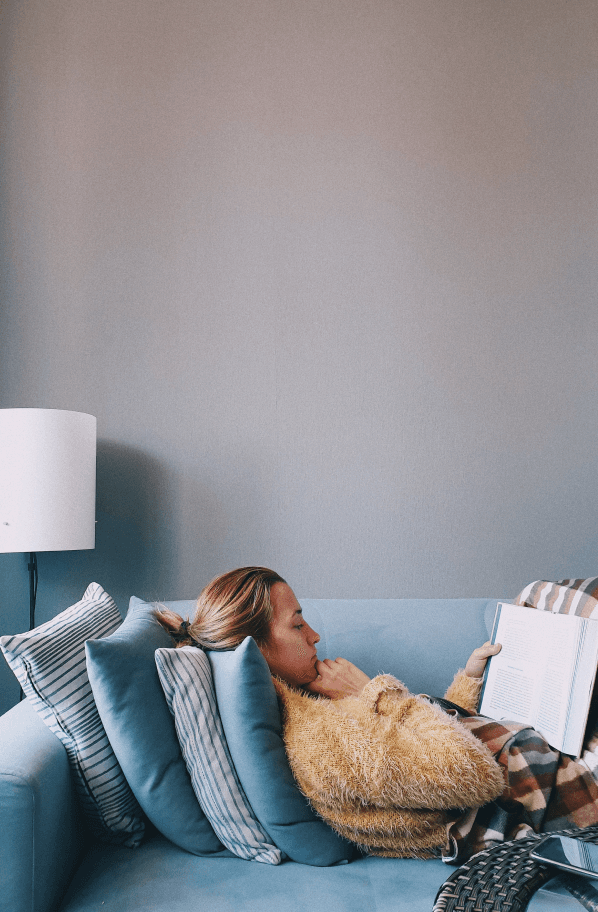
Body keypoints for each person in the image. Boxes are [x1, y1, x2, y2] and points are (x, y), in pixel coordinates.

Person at [157, 567, 598, 862]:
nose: (314, 636)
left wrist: (470, 679)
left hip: (530, 748)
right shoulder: (319, 747)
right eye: (296, 625)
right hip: (561, 785)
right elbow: (469, 772)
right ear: (256, 646)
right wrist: (371, 691)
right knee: (560, 596)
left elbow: (421, 737)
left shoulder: (311, 703)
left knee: (543, 598)